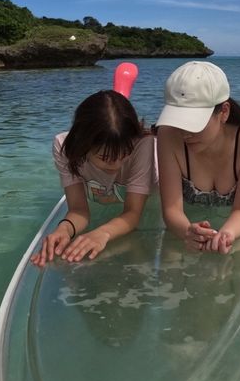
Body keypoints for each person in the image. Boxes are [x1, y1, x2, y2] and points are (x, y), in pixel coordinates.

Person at [29, 90, 155, 266]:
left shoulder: (142, 143)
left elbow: (133, 213)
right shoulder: (65, 148)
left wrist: (103, 232)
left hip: (153, 199)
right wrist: (64, 229)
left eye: (125, 154)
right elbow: (79, 210)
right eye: (105, 158)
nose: (117, 165)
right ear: (83, 146)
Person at [154, 62, 240, 255]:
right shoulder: (168, 134)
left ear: (224, 112)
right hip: (186, 227)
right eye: (178, 120)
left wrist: (226, 234)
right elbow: (172, 209)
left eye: (193, 123)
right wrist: (188, 232)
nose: (184, 133)